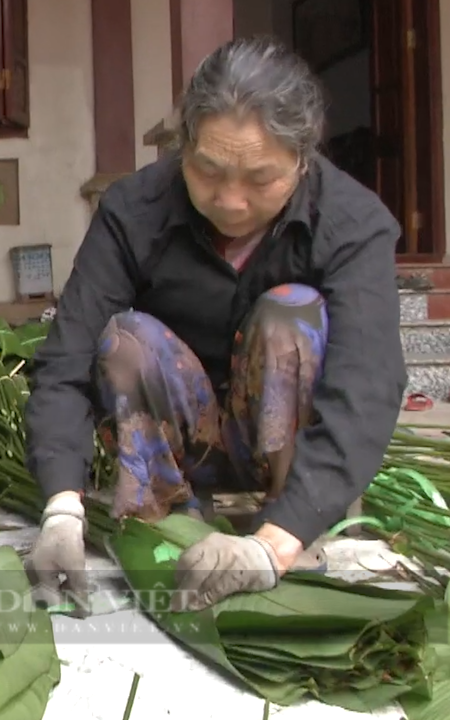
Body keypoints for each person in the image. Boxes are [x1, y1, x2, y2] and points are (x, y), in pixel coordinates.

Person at [23, 36, 407, 613]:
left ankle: (286, 538)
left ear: (302, 160)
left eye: (260, 179)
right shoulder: (134, 211)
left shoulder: (352, 223)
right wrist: (61, 508)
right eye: (208, 170)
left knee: (293, 311)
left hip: (283, 468)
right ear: (184, 144)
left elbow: (366, 386)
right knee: (127, 338)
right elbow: (67, 358)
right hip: (180, 447)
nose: (229, 200)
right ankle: (163, 529)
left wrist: (274, 544)